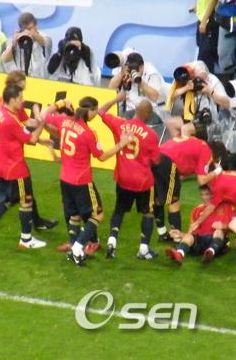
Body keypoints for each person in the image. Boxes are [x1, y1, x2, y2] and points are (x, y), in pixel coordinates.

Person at [42, 97, 132, 266]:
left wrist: (60, 103)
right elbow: (102, 156)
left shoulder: (64, 121)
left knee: (74, 214)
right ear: (89, 111)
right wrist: (121, 144)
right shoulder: (88, 133)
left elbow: (43, 115)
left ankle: (73, 245)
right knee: (97, 214)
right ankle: (77, 248)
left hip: (65, 178)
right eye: (95, 110)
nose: (96, 114)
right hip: (81, 181)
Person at [0, 70, 58, 233]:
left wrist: (39, 121)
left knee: (23, 190)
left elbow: (25, 124)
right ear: (13, 90)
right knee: (0, 193)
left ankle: (36, 222)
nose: (23, 94)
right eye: (21, 89)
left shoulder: (12, 106)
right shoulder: (3, 106)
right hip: (6, 158)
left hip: (4, 155)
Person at [97, 92, 161, 260]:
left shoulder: (120, 124)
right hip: (142, 181)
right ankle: (143, 249)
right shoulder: (151, 135)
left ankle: (112, 242)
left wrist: (117, 99)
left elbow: (100, 111)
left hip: (123, 178)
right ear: (147, 114)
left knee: (119, 210)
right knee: (148, 212)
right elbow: (156, 160)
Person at [152, 134, 217, 241]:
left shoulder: (195, 142)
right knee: (173, 201)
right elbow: (201, 180)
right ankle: (177, 238)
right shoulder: (206, 151)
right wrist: (218, 171)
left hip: (155, 157)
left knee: (158, 197)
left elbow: (185, 161)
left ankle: (162, 233)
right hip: (167, 162)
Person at [165, 185, 236, 264]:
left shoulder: (226, 207)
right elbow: (191, 233)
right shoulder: (196, 210)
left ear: (214, 194)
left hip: (217, 241)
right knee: (189, 237)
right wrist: (180, 234)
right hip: (200, 241)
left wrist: (223, 226)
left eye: (207, 194)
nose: (205, 198)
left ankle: (211, 251)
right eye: (202, 194)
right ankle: (179, 254)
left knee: (219, 231)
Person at [165, 60, 230, 139]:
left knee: (186, 129)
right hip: (194, 117)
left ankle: (190, 146)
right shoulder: (187, 80)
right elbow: (171, 96)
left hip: (210, 120)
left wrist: (210, 92)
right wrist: (186, 88)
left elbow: (227, 103)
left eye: (199, 78)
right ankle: (180, 146)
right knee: (170, 123)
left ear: (205, 74)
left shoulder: (213, 81)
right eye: (194, 77)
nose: (197, 80)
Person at [108, 51, 169, 123]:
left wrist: (140, 82)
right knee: (119, 122)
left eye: (135, 70)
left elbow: (155, 96)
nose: (132, 72)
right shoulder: (127, 69)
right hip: (131, 109)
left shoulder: (152, 74)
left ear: (141, 66)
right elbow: (110, 88)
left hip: (151, 111)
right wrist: (121, 74)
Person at [1, 12, 51, 78]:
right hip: (23, 78)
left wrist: (32, 34)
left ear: (36, 25)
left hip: (40, 78)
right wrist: (14, 43)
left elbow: (45, 43)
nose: (27, 31)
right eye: (25, 29)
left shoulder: (44, 36)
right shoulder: (18, 39)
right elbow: (5, 59)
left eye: (30, 28)